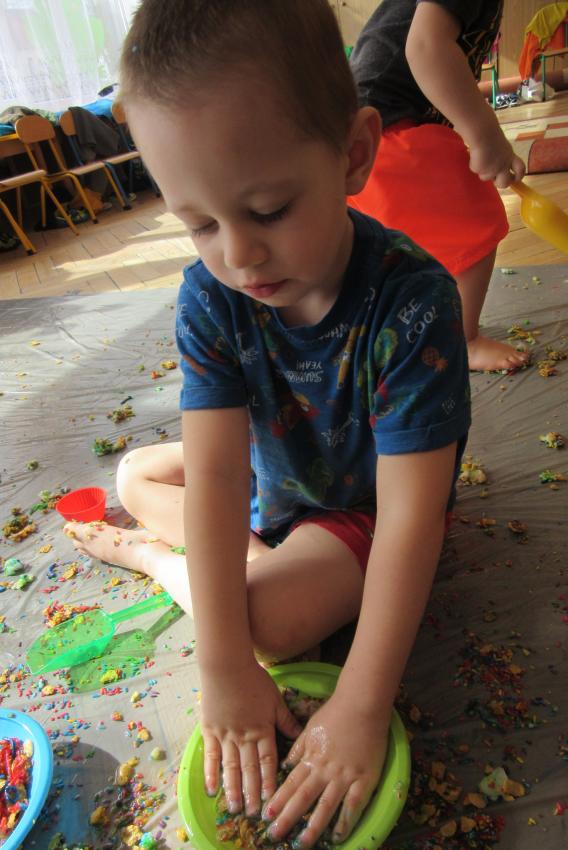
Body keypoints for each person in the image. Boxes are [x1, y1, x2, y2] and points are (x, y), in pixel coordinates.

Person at [64, 1, 471, 846]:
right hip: (271, 476)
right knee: (135, 474)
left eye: (270, 209)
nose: (238, 255)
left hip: (362, 510)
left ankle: (155, 560)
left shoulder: (413, 302)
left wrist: (361, 704)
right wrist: (221, 672)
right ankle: (237, 560)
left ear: (353, 154)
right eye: (199, 224)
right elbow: (217, 476)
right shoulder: (212, 295)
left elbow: (411, 521)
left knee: (269, 626)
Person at [349, 0, 529, 373]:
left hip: (360, 132)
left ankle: (375, 331)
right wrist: (485, 136)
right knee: (476, 219)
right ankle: (463, 340)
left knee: (388, 245)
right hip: (387, 128)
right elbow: (426, 48)